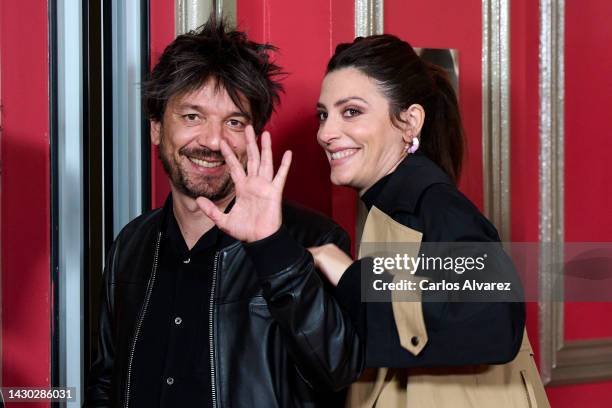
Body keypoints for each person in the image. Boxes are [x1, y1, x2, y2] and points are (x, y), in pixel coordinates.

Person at [85, 18, 363, 408]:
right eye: (192, 117)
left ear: (255, 136)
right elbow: (106, 382)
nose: (213, 142)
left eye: (234, 122)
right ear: (155, 129)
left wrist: (273, 248)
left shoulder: (313, 239)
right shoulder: (131, 245)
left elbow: (338, 373)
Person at [305, 35, 550, 407]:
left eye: (351, 111)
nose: (325, 133)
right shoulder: (391, 205)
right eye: (323, 114)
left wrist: (350, 274)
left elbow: (497, 324)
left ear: (410, 121)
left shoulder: (436, 208)